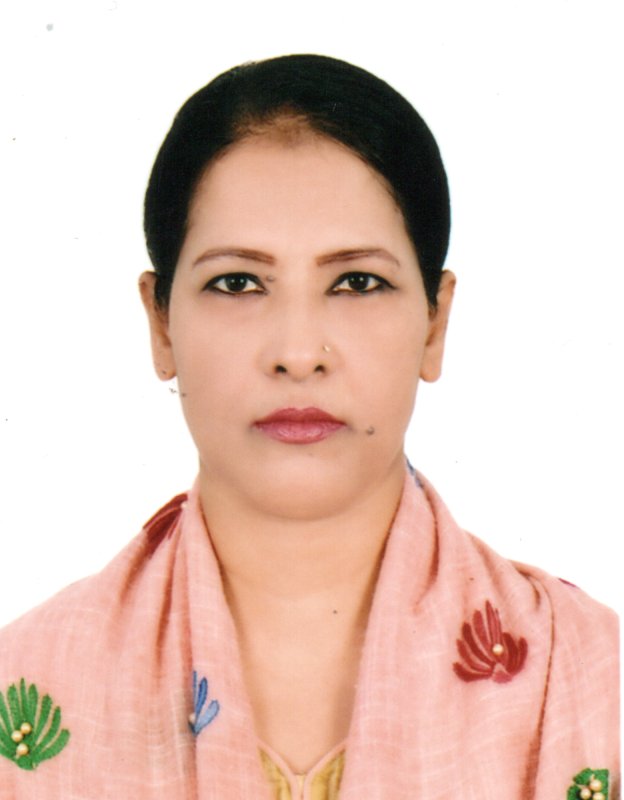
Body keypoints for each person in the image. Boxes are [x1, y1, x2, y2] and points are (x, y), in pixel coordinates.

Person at [0, 54, 618, 800]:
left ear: (434, 323)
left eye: (357, 282)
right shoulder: (23, 683)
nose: (298, 353)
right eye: (237, 282)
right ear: (161, 325)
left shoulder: (593, 681)